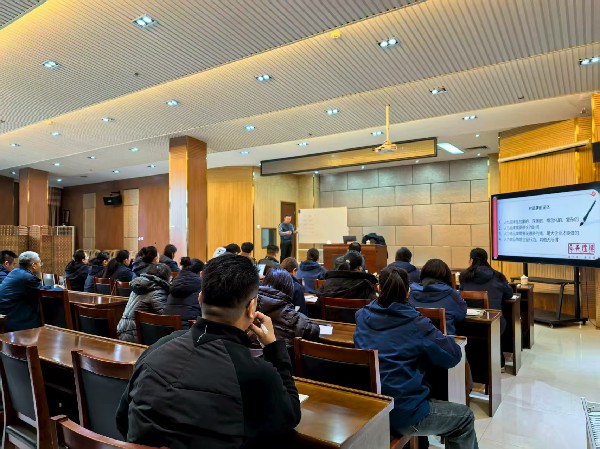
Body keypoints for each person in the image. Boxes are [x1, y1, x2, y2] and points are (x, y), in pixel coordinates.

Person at [116, 255, 301, 448]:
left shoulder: (156, 348)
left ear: (200, 298)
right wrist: (273, 349)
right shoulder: (256, 373)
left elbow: (123, 420)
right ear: (251, 307)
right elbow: (290, 415)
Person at [354, 266, 478, 448]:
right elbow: (452, 356)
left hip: (372, 405)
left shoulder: (362, 316)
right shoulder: (416, 323)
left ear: (379, 288)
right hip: (403, 414)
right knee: (465, 417)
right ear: (408, 292)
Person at [256, 268, 319, 348]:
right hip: (283, 355)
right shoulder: (298, 321)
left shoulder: (249, 310)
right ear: (289, 288)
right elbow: (313, 330)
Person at [0, 251, 62, 332]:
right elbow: (41, 292)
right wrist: (59, 288)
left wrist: (52, 287)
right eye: (40, 263)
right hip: (14, 319)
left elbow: (37, 288)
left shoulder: (16, 272)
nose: (40, 265)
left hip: (5, 315)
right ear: (34, 265)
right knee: (51, 313)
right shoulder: (27, 277)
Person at [409, 259, 467, 335]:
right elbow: (461, 315)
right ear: (446, 276)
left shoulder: (411, 293)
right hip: (443, 340)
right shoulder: (452, 294)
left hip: (415, 338)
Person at [117, 263, 171, 342]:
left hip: (122, 329)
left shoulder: (139, 285)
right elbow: (165, 318)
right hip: (136, 335)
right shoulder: (157, 291)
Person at [164, 257, 204, 329]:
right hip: (190, 329)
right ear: (200, 273)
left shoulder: (174, 281)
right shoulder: (200, 284)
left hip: (167, 327)